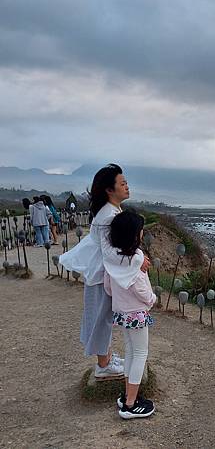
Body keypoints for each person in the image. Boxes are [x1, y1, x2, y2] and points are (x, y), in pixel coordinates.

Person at [59, 164, 150, 380]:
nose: (127, 186)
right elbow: (111, 253)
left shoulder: (111, 210)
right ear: (110, 189)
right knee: (100, 318)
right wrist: (138, 260)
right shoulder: (108, 215)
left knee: (103, 316)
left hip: (102, 271)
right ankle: (102, 366)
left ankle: (106, 358)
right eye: (122, 183)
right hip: (101, 272)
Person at [105, 210, 156, 419]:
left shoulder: (112, 257)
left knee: (129, 352)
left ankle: (127, 394)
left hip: (122, 313)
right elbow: (141, 289)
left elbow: (108, 287)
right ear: (135, 234)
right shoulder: (136, 259)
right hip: (137, 313)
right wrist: (152, 299)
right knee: (140, 354)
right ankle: (130, 404)